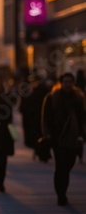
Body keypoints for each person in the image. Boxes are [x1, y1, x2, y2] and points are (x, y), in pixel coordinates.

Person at [41, 72, 85, 206]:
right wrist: (47, 133)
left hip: (73, 138)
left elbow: (82, 118)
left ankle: (62, 189)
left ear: (73, 83)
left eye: (70, 82)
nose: (68, 84)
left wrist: (82, 135)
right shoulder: (52, 97)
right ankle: (61, 194)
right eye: (65, 81)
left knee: (69, 163)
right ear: (61, 83)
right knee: (61, 165)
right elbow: (46, 117)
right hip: (57, 138)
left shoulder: (79, 98)